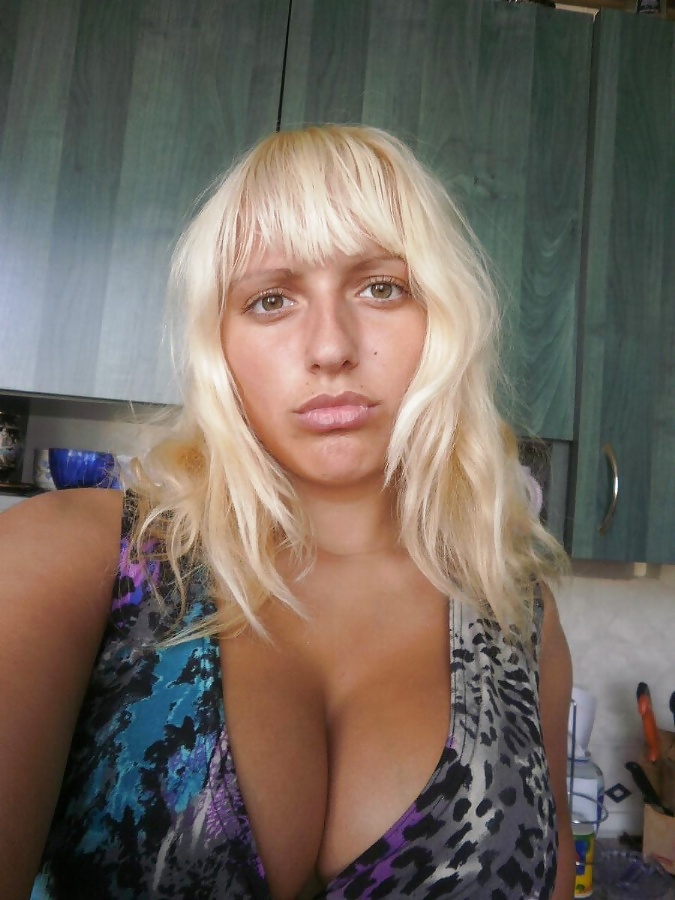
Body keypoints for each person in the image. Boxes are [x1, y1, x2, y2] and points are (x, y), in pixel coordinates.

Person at [0, 125, 574, 899]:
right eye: (270, 300)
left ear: (445, 317)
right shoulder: (67, 559)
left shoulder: (518, 618)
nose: (330, 347)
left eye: (381, 287)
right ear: (219, 343)